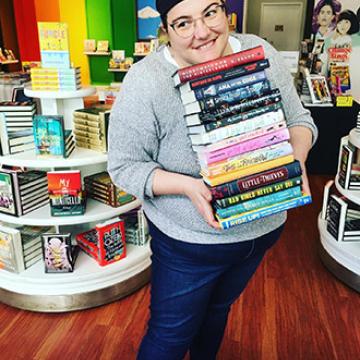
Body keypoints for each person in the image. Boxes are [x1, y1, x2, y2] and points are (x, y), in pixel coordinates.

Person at [108, 0, 318, 359]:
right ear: (166, 29)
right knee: (169, 337)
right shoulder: (146, 81)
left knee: (216, 312)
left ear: (226, 13)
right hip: (191, 243)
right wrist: (190, 186)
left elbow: (300, 119)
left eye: (210, 13)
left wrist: (294, 161)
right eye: (183, 23)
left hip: (262, 229)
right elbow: (124, 166)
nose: (202, 32)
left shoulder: (258, 50)